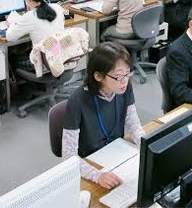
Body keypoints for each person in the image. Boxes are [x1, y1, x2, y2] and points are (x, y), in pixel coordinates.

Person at [62, 42, 145, 189]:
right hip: (91, 163)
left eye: (128, 73)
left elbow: (133, 123)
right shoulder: (77, 101)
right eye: (118, 76)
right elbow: (68, 155)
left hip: (117, 155)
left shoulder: (124, 88)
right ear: (98, 76)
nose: (125, 81)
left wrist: (146, 146)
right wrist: (97, 176)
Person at [5, 0, 65, 70]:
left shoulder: (30, 16)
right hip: (60, 58)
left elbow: (9, 37)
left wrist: (12, 24)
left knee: (12, 58)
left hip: (43, 64)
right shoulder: (57, 8)